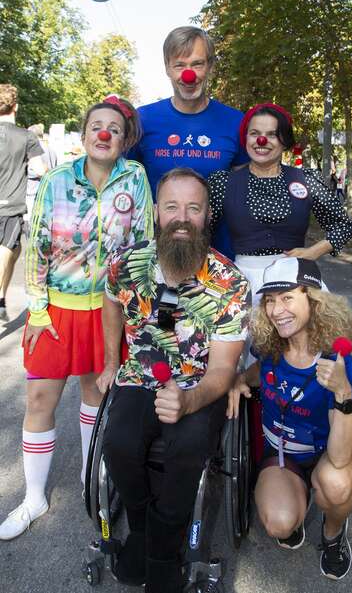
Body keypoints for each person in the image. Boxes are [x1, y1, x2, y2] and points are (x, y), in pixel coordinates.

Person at [0, 96, 154, 540]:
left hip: (109, 312)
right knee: (39, 401)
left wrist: (137, 313)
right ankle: (33, 497)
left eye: (114, 128)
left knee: (95, 395)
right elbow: (38, 245)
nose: (104, 133)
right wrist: (36, 308)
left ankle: (91, 477)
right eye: (96, 126)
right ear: (85, 134)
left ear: (125, 140)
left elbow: (143, 243)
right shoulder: (55, 179)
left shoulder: (136, 178)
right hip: (57, 312)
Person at [98, 167, 251, 592]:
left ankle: (164, 547)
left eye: (193, 208)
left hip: (199, 383)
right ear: (156, 213)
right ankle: (144, 526)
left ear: (206, 217)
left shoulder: (230, 284)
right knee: (120, 443)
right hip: (140, 376)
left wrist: (188, 401)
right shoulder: (126, 265)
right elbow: (111, 304)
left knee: (187, 448)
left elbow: (223, 370)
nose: (182, 217)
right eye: (172, 207)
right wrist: (113, 360)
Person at [228, 256, 352, 581]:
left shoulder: (337, 363)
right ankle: (293, 501)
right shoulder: (271, 347)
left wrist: (343, 394)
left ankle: (332, 533)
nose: (276, 310)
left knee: (336, 482)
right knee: (279, 521)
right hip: (280, 454)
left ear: (314, 301)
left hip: (326, 453)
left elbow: (342, 457)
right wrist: (239, 381)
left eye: (288, 297)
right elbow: (260, 371)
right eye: (271, 301)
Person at [207, 102, 352, 307]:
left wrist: (313, 252)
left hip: (295, 279)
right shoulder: (223, 183)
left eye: (272, 134)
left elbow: (343, 225)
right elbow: (202, 232)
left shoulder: (306, 179)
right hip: (243, 282)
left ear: (284, 141)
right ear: (246, 139)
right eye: (255, 133)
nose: (261, 140)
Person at [127, 25, 248, 256]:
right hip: (155, 255)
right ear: (167, 68)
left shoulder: (236, 122)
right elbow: (123, 182)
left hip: (217, 257)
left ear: (210, 66)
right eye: (179, 65)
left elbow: (245, 191)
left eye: (197, 64)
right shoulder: (143, 119)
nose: (188, 75)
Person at [0, 84, 45, 323]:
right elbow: (39, 169)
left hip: (9, 206)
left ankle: (1, 299)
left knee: (14, 251)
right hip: (9, 207)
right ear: (15, 106)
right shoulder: (25, 136)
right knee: (5, 253)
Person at [26, 124, 58, 225]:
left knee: (32, 223)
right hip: (48, 191)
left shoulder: (33, 150)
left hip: (33, 191)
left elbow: (36, 171)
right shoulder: (52, 150)